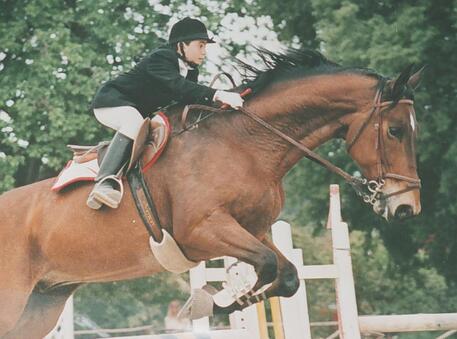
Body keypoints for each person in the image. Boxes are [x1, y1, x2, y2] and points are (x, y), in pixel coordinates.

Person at [87, 17, 244, 210]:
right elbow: (180, 87)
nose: (204, 52)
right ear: (182, 45)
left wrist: (222, 106)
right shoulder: (161, 57)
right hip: (111, 102)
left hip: (135, 110)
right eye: (200, 45)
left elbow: (190, 99)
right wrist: (219, 94)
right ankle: (103, 183)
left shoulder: (190, 70)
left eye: (205, 47)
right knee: (134, 123)